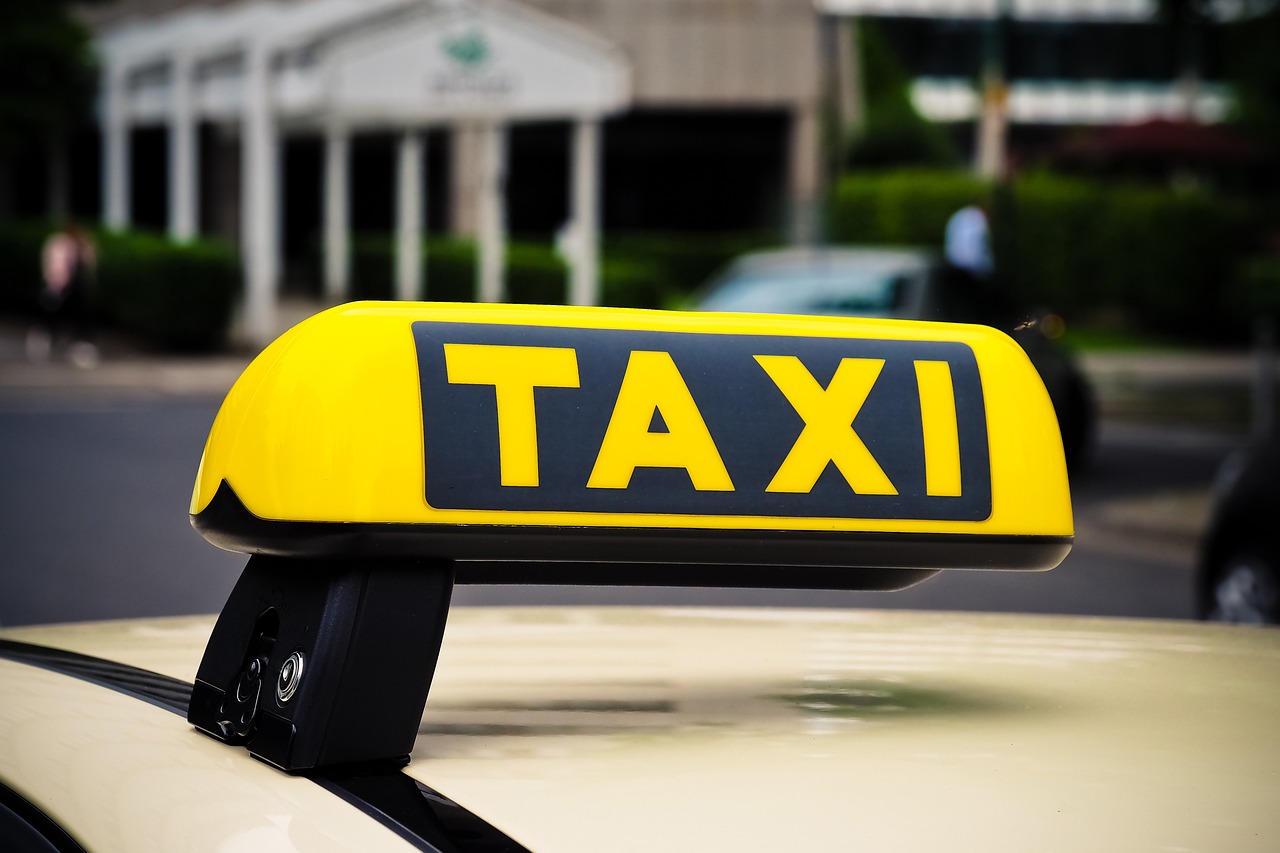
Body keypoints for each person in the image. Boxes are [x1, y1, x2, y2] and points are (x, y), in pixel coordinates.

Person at [28, 220, 98, 368]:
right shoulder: (58, 243)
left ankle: (80, 346)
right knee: (52, 316)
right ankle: (43, 341)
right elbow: (51, 264)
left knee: (80, 317)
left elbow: (89, 263)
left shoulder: (82, 245)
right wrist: (54, 282)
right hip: (59, 286)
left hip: (78, 288)